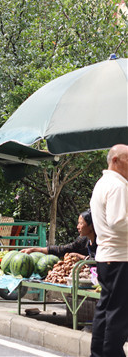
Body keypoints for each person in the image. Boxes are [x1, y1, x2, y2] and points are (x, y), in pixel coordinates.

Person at [89, 144, 128, 357]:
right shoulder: (118, 185)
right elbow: (117, 221)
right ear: (115, 160)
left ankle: (98, 353)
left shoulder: (103, 183)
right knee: (116, 314)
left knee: (106, 311)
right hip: (119, 256)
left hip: (108, 256)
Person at [20, 209, 96, 259]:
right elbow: (63, 249)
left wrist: (80, 257)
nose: (77, 227)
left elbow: (98, 262)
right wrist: (34, 250)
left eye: (81, 223)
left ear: (91, 226)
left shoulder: (100, 242)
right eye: (78, 223)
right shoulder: (82, 240)